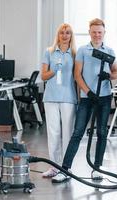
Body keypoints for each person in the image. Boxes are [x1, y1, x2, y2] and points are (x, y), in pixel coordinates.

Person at [51, 18, 117, 183]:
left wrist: (108, 76)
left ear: (104, 33)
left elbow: (115, 74)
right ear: (90, 32)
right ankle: (65, 169)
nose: (97, 35)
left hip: (104, 98)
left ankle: (97, 168)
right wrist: (88, 92)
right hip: (87, 98)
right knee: (78, 132)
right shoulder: (82, 50)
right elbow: (77, 75)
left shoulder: (109, 50)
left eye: (100, 32)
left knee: (102, 132)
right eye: (94, 32)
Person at [40, 23, 77, 178]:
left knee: (67, 133)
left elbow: (78, 77)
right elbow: (43, 76)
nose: (64, 35)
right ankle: (54, 167)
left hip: (68, 98)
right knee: (53, 132)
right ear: (58, 34)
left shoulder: (75, 53)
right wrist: (54, 70)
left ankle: (66, 168)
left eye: (68, 32)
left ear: (71, 35)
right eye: (62, 32)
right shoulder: (49, 52)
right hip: (51, 97)